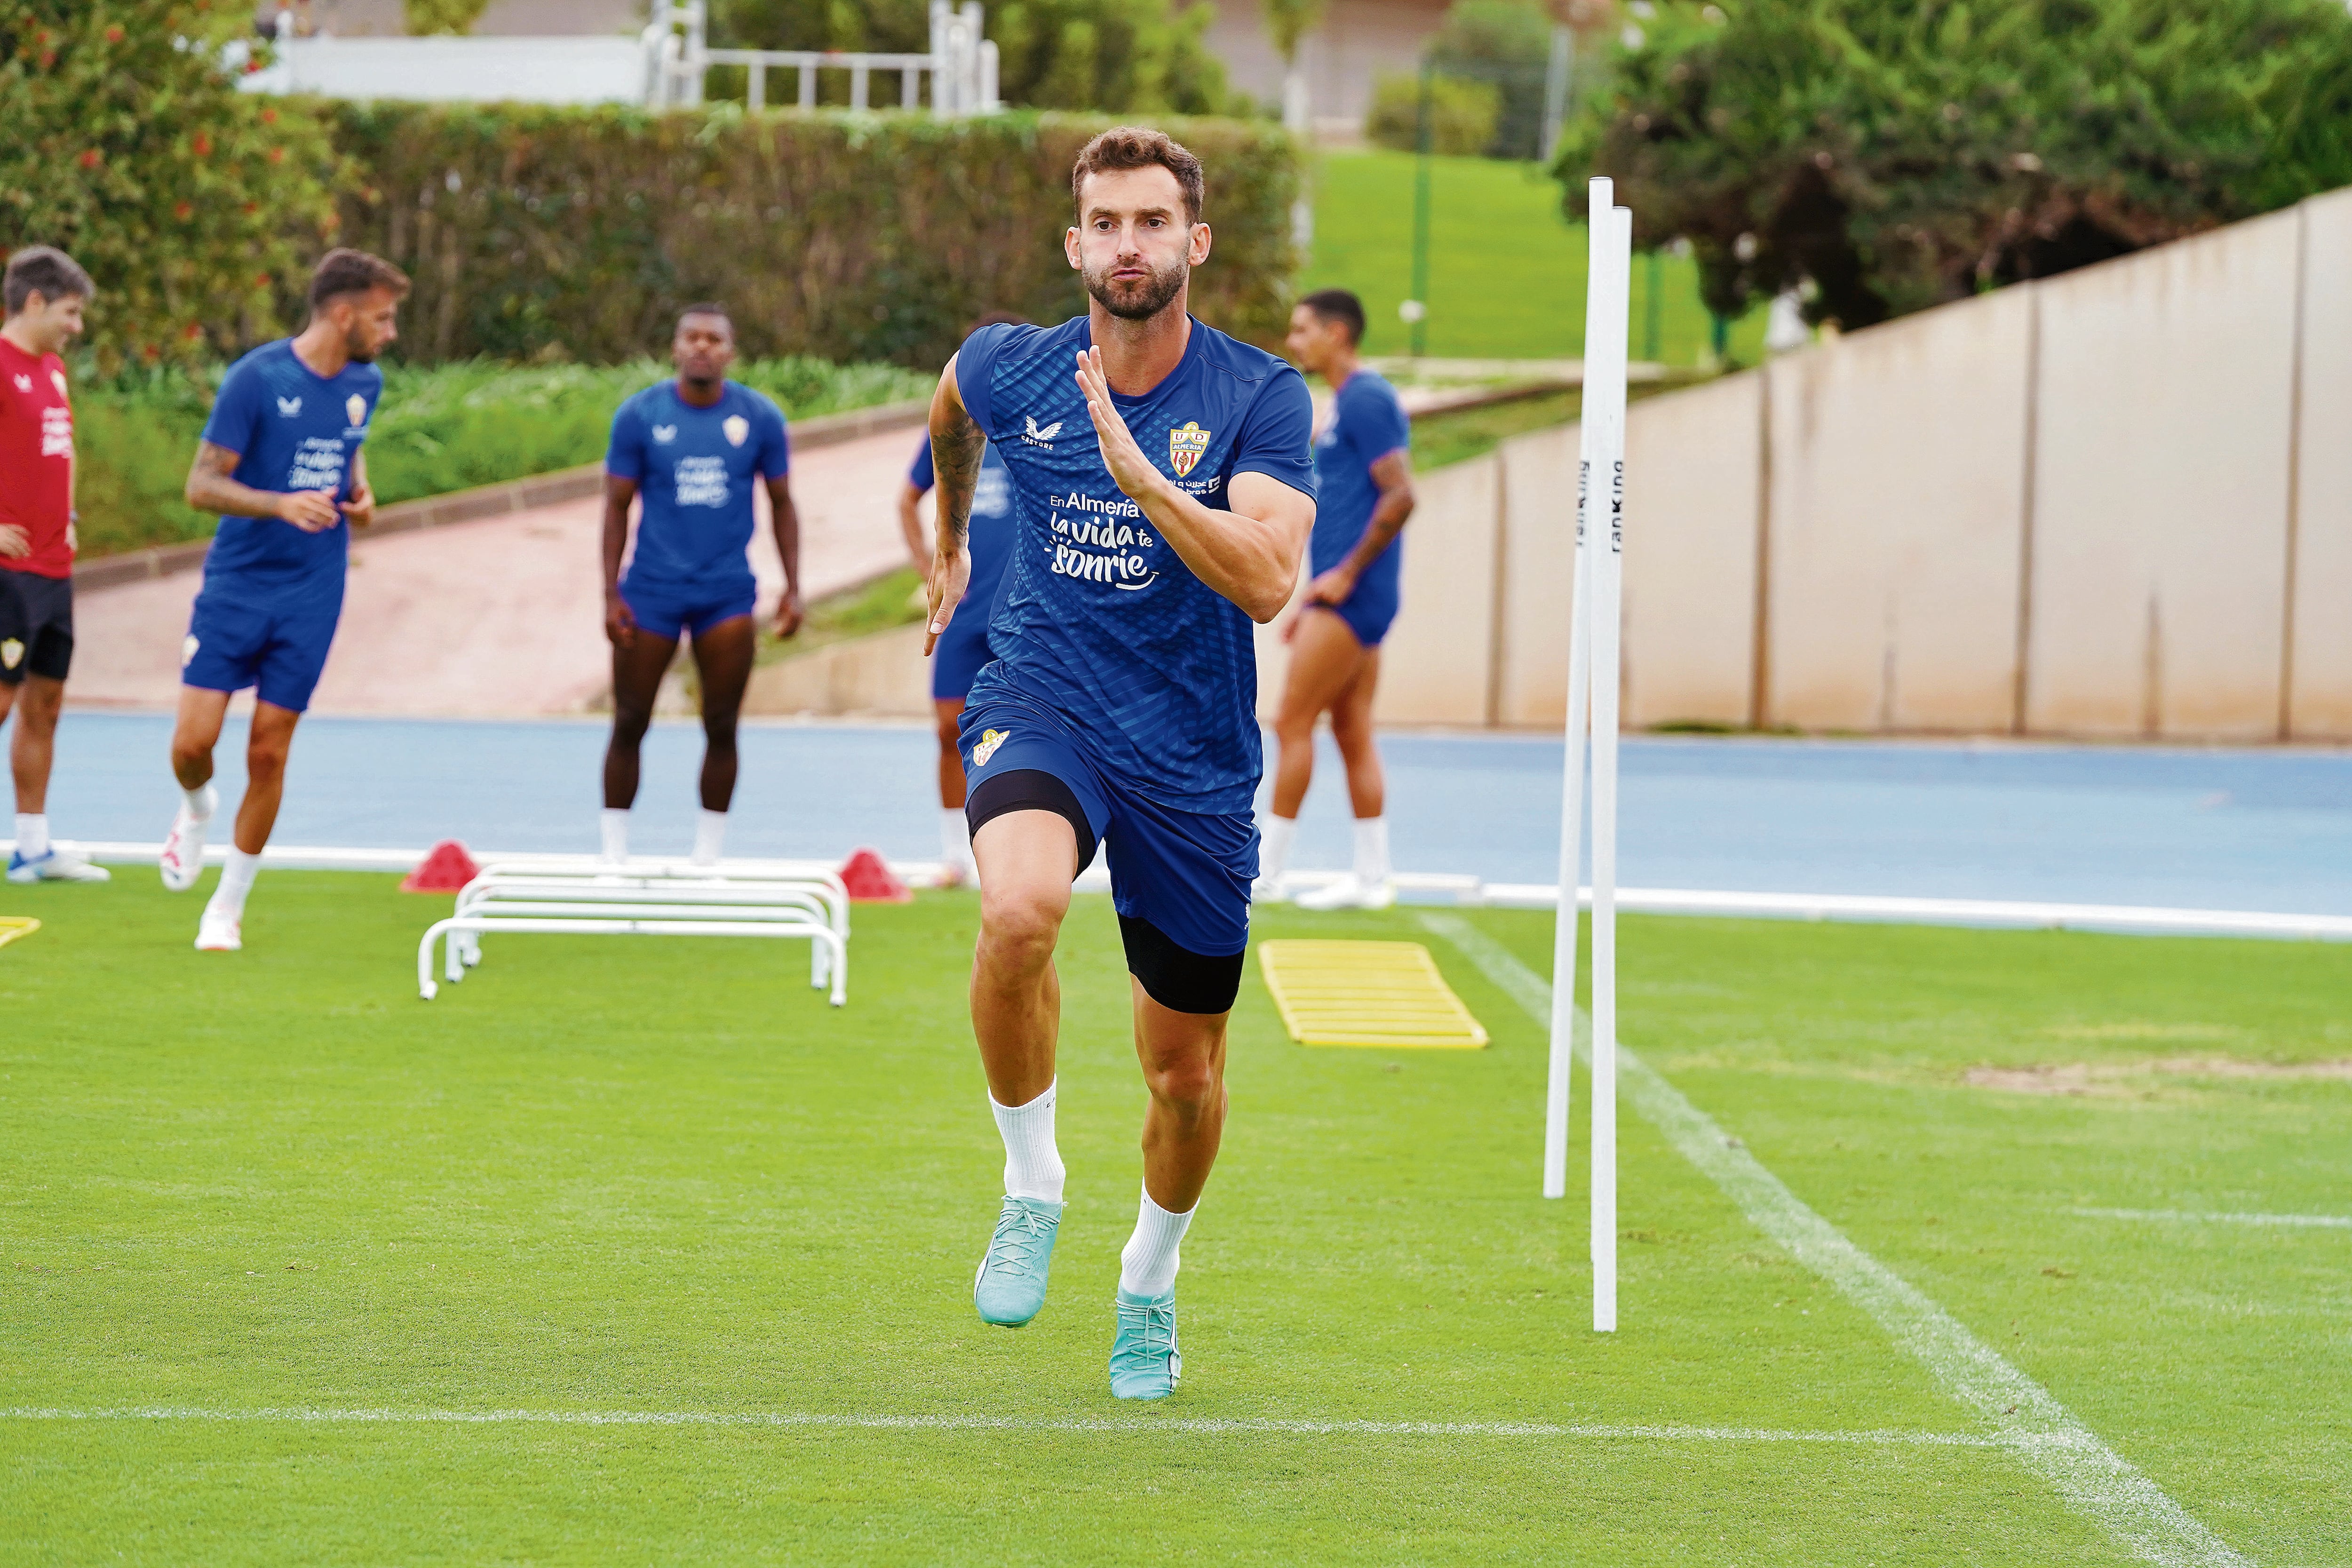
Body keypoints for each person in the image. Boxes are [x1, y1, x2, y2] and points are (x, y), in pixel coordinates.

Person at [924, 127, 1316, 1400]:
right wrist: (950, 547)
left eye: (1154, 221)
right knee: (1020, 909)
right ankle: (1031, 1178)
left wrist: (1142, 475)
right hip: (1045, 699)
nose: (1129, 244)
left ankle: (1149, 1278)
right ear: (1076, 242)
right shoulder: (1015, 364)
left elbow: (1267, 582)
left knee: (1187, 1074)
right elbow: (949, 410)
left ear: (1194, 242)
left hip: (1193, 758)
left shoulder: (1260, 397)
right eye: (1107, 222)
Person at [160, 248, 408, 950]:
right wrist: (278, 504)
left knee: (269, 751)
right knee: (193, 744)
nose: (390, 333)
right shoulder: (256, 379)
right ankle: (194, 805)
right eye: (382, 318)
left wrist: (360, 491)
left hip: (314, 589)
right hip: (238, 584)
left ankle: (227, 907)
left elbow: (346, 449)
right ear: (343, 313)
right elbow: (201, 485)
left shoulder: (367, 381)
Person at [598, 305, 801, 866]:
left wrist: (793, 587)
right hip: (651, 591)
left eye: (715, 339)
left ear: (730, 352)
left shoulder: (759, 418)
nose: (703, 347)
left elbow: (783, 504)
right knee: (630, 720)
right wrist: (610, 592)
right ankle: (614, 853)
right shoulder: (639, 416)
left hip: (726, 594)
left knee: (721, 723)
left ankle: (708, 857)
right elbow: (616, 507)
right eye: (692, 337)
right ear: (675, 347)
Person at [1256, 289, 1416, 909]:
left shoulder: (1367, 399)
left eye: (1302, 331)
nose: (1294, 343)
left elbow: (1401, 495)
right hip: (1344, 592)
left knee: (1292, 722)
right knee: (1351, 730)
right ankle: (1373, 878)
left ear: (1336, 333)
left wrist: (1345, 577)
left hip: (1355, 595)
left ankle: (1268, 872)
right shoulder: (1346, 404)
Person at [898, 310, 1025, 887]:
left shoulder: (1043, 430)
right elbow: (907, 499)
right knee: (949, 727)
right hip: (962, 613)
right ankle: (956, 857)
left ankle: (1023, 853)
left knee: (1030, 735)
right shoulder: (954, 428)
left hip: (1026, 616)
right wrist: (929, 566)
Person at [0, 246, 108, 884]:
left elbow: (57, 452)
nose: (77, 325)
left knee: (46, 704)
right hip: (8, 574)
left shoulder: (54, 371)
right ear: (35, 301)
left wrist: (65, 519)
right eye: (70, 312)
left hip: (53, 570)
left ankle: (32, 847)